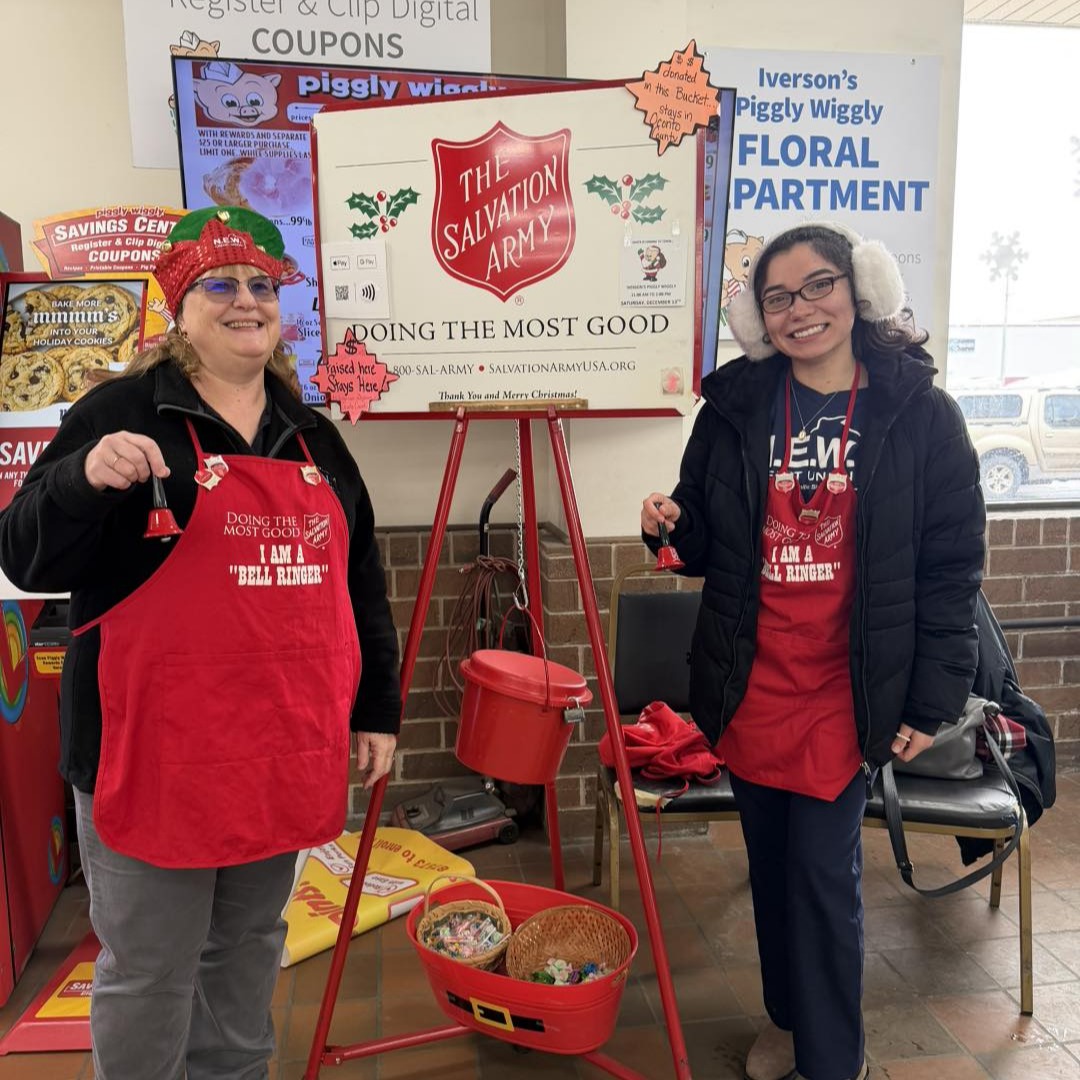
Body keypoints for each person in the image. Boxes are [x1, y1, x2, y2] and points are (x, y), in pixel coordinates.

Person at [0, 206, 402, 1080]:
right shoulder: (120, 411)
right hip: (149, 753)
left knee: (247, 948)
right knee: (149, 970)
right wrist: (79, 481)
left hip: (279, 743)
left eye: (261, 285)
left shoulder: (314, 433)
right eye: (220, 284)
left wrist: (376, 708)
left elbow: (358, 578)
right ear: (179, 307)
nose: (244, 301)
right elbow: (24, 554)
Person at [641, 222, 985, 1080]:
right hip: (752, 681)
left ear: (860, 289)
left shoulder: (920, 414)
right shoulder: (735, 409)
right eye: (779, 297)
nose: (802, 310)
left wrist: (930, 700)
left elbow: (952, 570)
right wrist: (669, 533)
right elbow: (704, 536)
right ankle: (789, 1020)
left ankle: (834, 1059)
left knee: (823, 881)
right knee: (772, 868)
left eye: (820, 285)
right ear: (761, 318)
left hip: (851, 686)